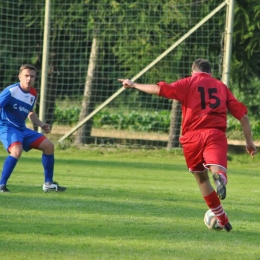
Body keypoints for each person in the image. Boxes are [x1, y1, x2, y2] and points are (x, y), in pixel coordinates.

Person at [118, 58, 257, 232]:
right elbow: (243, 116)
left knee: (201, 179)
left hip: (191, 138)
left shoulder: (188, 82)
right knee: (216, 169)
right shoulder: (221, 87)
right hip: (215, 134)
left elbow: (160, 89)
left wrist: (134, 84)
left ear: (193, 71)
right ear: (210, 73)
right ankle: (220, 177)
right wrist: (249, 142)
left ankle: (223, 219)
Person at [0, 64, 66, 193]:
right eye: (26, 76)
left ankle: (48, 184)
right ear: (19, 76)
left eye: (32, 76)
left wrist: (41, 124)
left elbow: (30, 112)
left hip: (22, 129)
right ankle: (1, 185)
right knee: (16, 151)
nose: (29, 79)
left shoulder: (33, 93)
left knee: (48, 146)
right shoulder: (11, 91)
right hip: (7, 127)